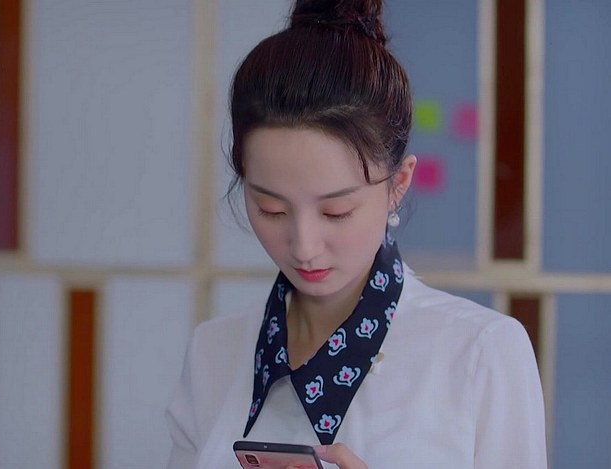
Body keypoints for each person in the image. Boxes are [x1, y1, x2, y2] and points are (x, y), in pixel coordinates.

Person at [165, 0, 547, 467]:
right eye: (271, 209)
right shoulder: (213, 353)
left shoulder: (480, 352)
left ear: (398, 184)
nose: (304, 246)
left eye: (337, 211)